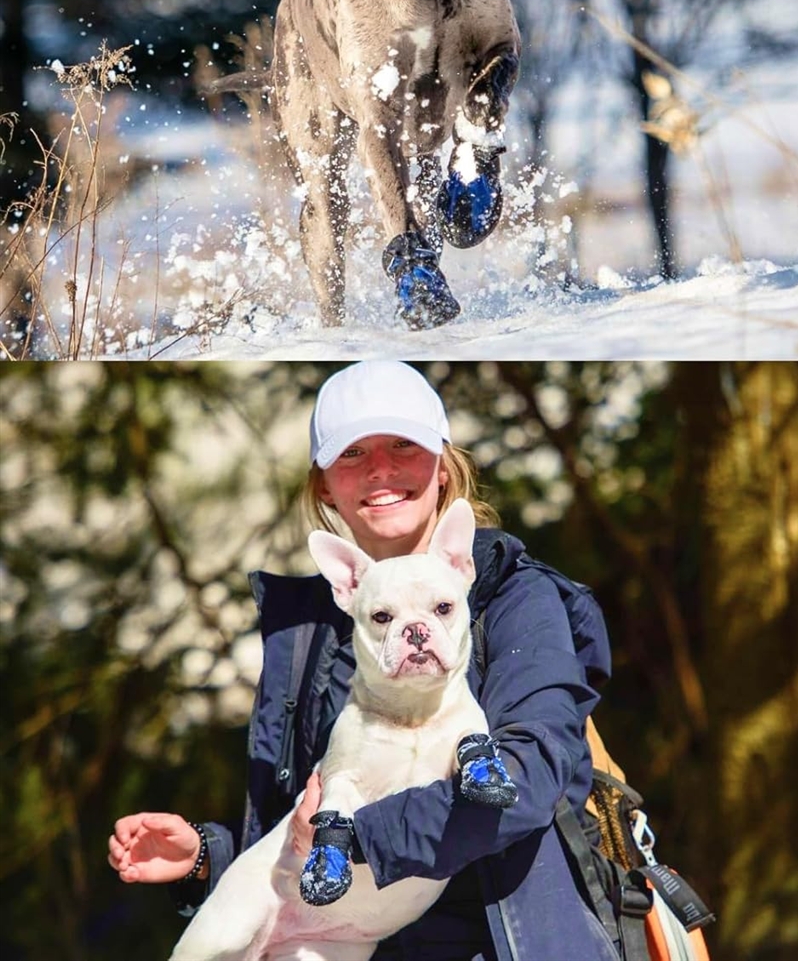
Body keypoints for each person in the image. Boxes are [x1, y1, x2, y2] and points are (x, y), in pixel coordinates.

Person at [108, 361, 620, 961]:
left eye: (404, 444)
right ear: (324, 483)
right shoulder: (306, 626)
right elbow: (297, 818)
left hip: (502, 939)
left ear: (443, 465)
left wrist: (351, 841)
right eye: (352, 454)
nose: (380, 468)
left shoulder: (515, 597)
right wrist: (207, 856)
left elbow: (527, 782)